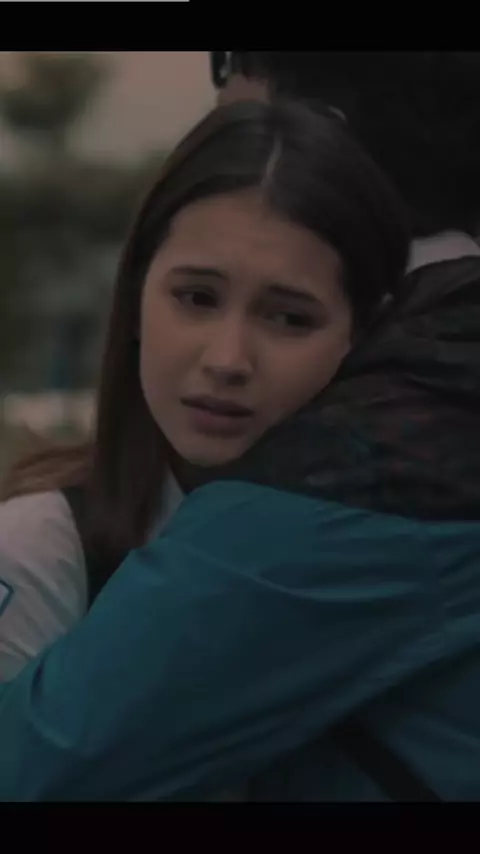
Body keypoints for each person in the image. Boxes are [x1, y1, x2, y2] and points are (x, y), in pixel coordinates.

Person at [0, 54, 479, 801]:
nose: (227, 360)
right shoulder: (42, 546)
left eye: (289, 317)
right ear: (137, 294)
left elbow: (48, 759)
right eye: (196, 297)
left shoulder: (394, 440)